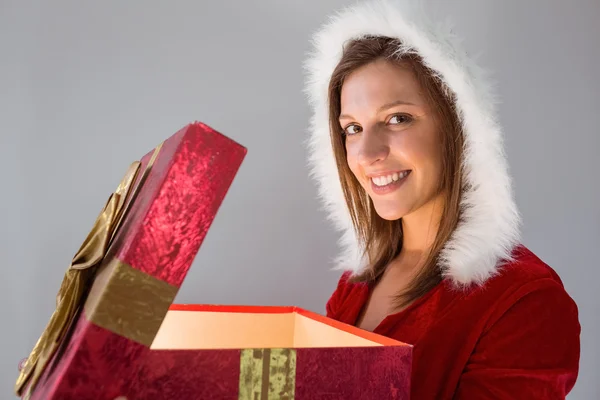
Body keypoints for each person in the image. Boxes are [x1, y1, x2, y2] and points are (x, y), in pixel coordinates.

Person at [304, 0, 580, 398]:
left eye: (397, 118)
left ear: (458, 127)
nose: (366, 154)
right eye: (352, 128)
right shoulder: (354, 287)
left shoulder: (523, 302)